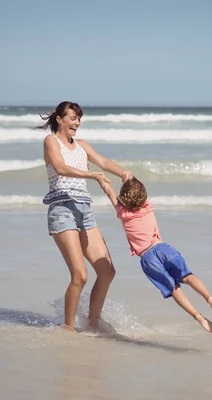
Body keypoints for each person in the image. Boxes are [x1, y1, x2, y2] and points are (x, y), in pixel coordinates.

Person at [37, 101, 132, 332]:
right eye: (72, 118)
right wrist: (93, 175)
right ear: (59, 119)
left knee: (107, 271)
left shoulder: (81, 145)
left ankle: (92, 323)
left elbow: (103, 162)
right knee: (80, 275)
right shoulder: (52, 141)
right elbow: (60, 167)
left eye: (79, 118)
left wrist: (124, 174)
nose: (77, 122)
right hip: (62, 211)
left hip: (85, 212)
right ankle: (68, 328)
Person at [97, 177, 212, 333]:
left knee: (174, 289)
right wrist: (127, 176)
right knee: (187, 276)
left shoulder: (122, 212)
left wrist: (100, 178)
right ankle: (210, 299)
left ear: (123, 198)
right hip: (164, 249)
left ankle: (197, 316)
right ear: (144, 197)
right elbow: (137, 189)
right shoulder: (147, 207)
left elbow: (108, 190)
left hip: (148, 259)